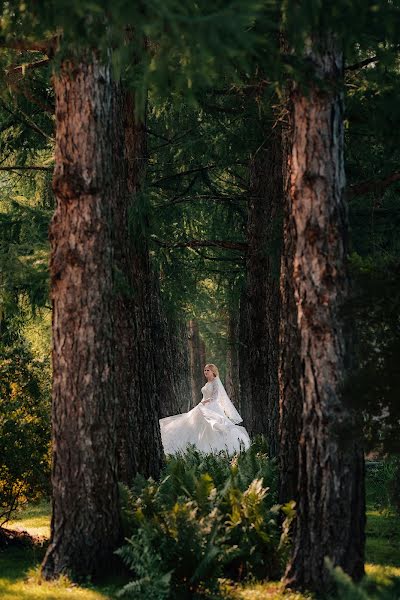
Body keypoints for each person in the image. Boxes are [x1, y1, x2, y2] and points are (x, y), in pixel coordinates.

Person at [159, 363, 250, 455]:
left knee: (213, 426)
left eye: (208, 370)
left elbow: (214, 397)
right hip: (203, 405)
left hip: (212, 407)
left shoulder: (215, 382)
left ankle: (215, 448)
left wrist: (204, 403)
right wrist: (202, 404)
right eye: (205, 370)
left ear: (213, 371)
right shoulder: (208, 383)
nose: (205, 372)